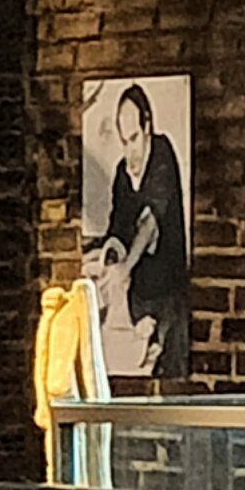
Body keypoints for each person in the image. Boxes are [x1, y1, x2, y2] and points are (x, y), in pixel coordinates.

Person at [86, 84, 189, 377]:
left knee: (170, 379)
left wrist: (125, 267)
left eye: (133, 139)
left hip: (169, 301)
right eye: (123, 141)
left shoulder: (162, 155)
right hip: (138, 302)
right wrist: (105, 259)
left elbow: (149, 224)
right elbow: (117, 230)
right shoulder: (122, 173)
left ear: (147, 127)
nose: (129, 149)